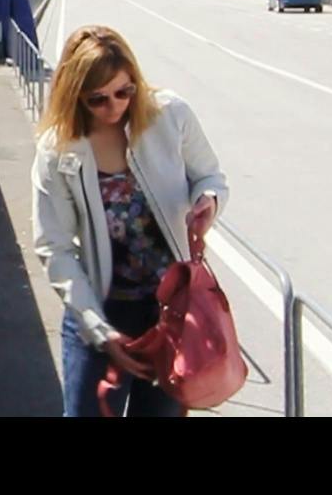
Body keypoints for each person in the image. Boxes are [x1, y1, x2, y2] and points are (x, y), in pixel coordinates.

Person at [30, 24, 230, 417]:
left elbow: (210, 177)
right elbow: (53, 246)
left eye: (124, 92)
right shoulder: (57, 149)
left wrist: (207, 201)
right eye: (98, 99)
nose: (114, 106)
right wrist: (100, 331)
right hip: (100, 311)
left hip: (170, 315)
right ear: (75, 96)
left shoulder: (170, 115)